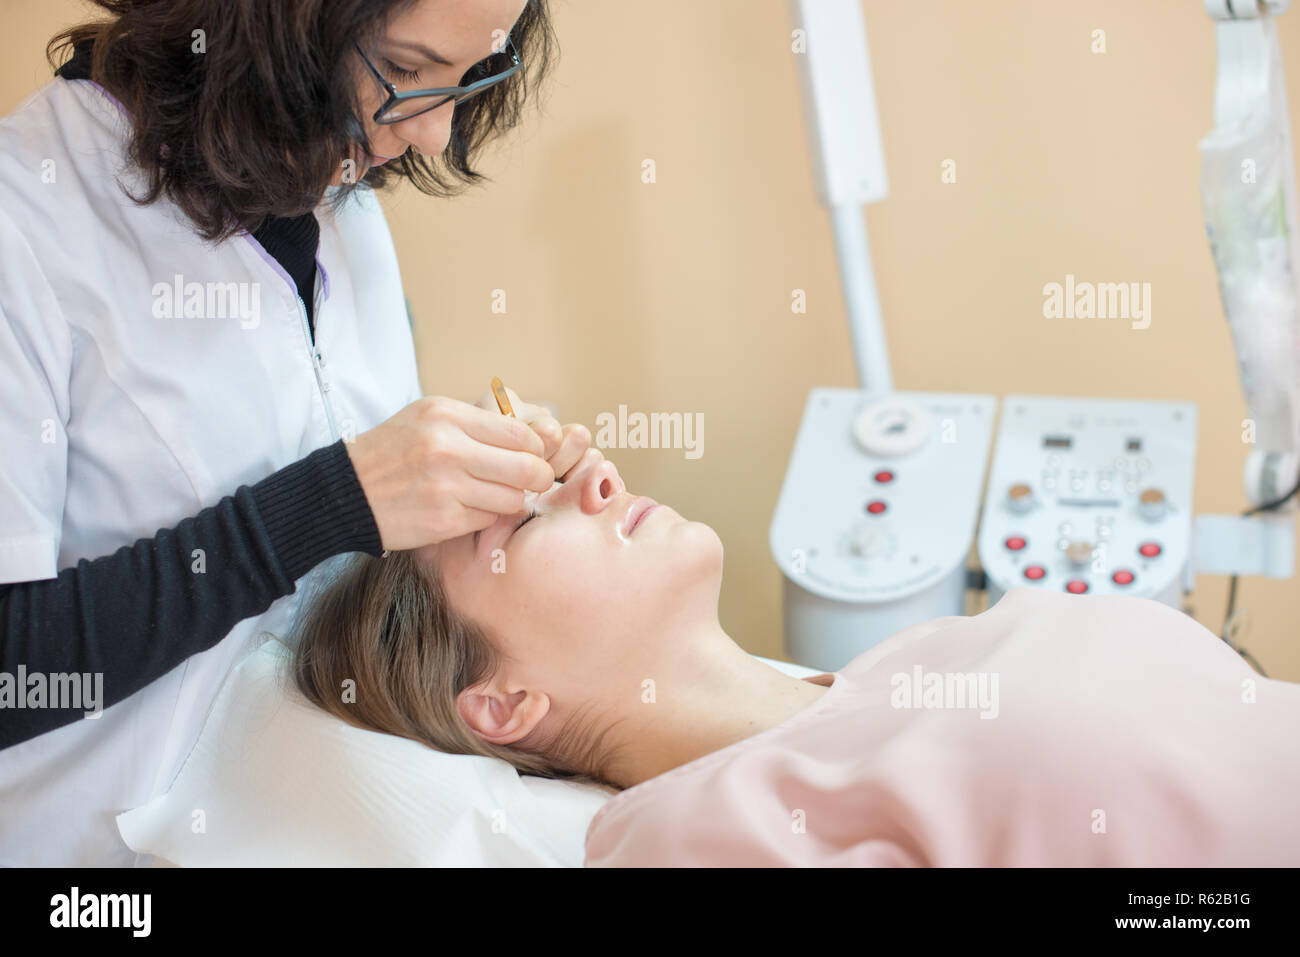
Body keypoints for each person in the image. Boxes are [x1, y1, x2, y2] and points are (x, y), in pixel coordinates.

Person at [0, 0, 579, 866]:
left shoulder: (336, 190)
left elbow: (344, 540)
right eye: (407, 69)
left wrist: (466, 488)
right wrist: (332, 499)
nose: (435, 133)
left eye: (470, 76)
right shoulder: (27, 222)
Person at [291, 451, 1300, 866]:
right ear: (500, 703)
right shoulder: (686, 836)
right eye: (520, 520)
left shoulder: (908, 662)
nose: (594, 475)